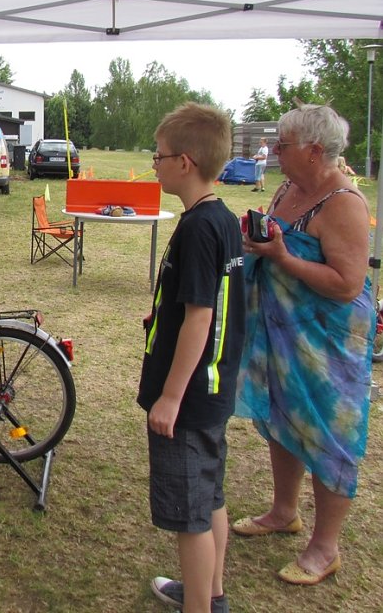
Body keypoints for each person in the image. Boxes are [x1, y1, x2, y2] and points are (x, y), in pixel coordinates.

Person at [231, 104, 374, 585]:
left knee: (329, 437)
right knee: (282, 418)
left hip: (328, 344)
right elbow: (276, 242)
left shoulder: (344, 203)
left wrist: (282, 257)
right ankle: (283, 512)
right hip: (281, 333)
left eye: (283, 145)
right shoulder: (288, 187)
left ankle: (324, 548)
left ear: (315, 152)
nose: (273, 153)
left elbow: (347, 284)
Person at [140, 103, 246, 613]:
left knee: (190, 516)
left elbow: (200, 318)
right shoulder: (222, 218)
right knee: (211, 496)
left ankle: (198, 607)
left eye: (157, 156)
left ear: (184, 162)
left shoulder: (200, 228)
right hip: (214, 390)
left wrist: (170, 397)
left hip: (189, 399)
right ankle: (212, 592)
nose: (153, 164)